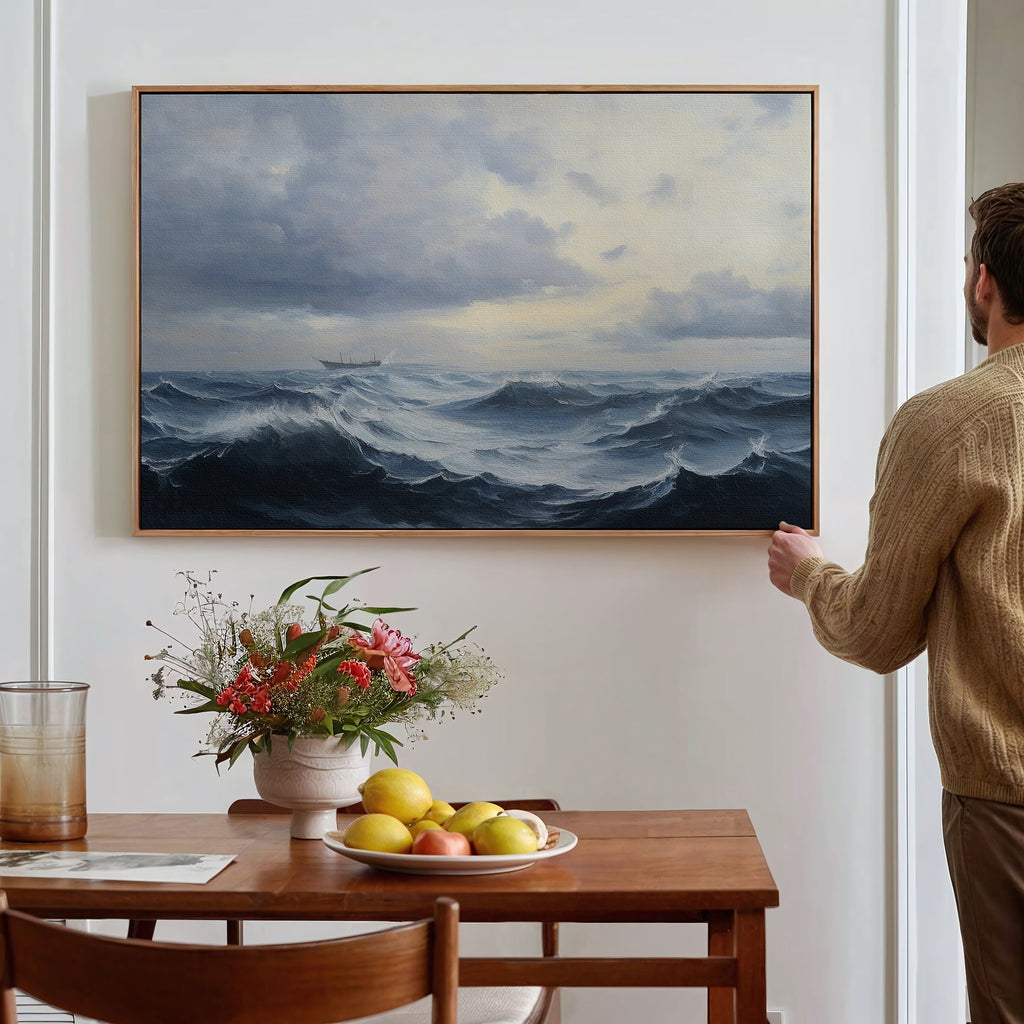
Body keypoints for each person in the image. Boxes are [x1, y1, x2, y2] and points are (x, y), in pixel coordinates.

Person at [768, 181, 1024, 1024]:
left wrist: (809, 572)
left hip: (1008, 798)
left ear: (983, 281)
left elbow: (878, 633)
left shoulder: (953, 421)